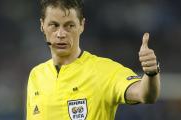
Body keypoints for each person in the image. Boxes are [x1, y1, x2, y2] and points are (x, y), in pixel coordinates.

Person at [26, 0, 161, 120]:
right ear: (42, 25)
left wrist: (151, 72)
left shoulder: (103, 71)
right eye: (54, 25)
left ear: (82, 25)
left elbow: (145, 94)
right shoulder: (36, 75)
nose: (61, 34)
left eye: (69, 26)